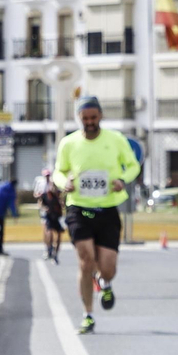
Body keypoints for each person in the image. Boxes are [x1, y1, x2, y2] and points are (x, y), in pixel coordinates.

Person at [52, 97, 141, 332]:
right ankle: (88, 315)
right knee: (86, 261)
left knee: (108, 268)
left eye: (93, 118)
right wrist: (64, 183)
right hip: (79, 209)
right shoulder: (68, 143)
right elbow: (58, 172)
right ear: (78, 118)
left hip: (108, 209)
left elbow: (133, 166)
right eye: (85, 118)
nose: (90, 122)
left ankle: (104, 282)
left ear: (100, 116)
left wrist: (123, 179)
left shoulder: (116, 139)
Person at [37, 168, 65, 263]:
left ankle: (55, 253)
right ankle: (48, 249)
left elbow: (62, 202)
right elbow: (40, 201)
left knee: (59, 234)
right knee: (48, 232)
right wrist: (44, 208)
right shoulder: (43, 188)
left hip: (57, 215)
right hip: (48, 215)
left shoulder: (57, 191)